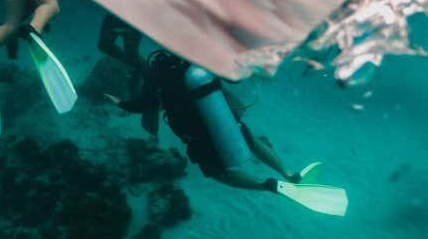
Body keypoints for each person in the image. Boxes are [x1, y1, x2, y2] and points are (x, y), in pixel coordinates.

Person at [105, 50, 348, 215]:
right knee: (250, 140)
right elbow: (234, 78)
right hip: (221, 113)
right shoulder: (196, 55)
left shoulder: (156, 67)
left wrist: (119, 102)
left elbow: (143, 105)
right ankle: (289, 173)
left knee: (218, 172)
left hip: (191, 128)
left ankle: (268, 186)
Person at [98, 14, 144, 98]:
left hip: (133, 22)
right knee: (104, 46)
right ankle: (137, 69)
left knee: (132, 57)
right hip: (115, 19)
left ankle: (142, 76)